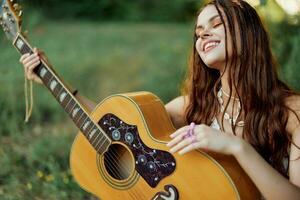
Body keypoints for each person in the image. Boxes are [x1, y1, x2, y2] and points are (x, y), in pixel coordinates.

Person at [20, 0, 300, 199]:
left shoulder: (292, 111)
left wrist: (238, 148)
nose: (203, 34)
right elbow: (116, 128)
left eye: (217, 24)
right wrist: (53, 78)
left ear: (249, 33)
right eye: (198, 31)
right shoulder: (194, 106)